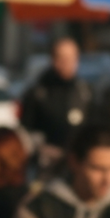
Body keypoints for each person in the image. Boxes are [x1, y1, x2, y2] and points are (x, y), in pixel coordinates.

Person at [21, 37, 94, 172]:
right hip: (47, 163)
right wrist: (41, 149)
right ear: (52, 59)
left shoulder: (84, 90)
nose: (67, 63)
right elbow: (26, 128)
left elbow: (91, 124)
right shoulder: (38, 92)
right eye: (61, 58)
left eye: (71, 58)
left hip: (78, 161)